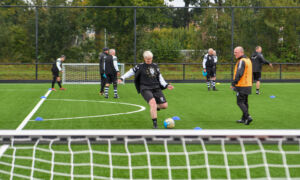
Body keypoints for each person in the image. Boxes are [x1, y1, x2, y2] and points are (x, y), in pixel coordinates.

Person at [118, 51, 174, 129]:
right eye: (147, 59)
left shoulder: (155, 66)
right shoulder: (139, 66)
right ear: (144, 58)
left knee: (164, 105)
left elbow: (160, 77)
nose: (149, 60)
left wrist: (167, 85)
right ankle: (155, 124)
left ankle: (154, 107)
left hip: (156, 87)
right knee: (153, 103)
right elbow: (130, 72)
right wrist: (122, 77)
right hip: (145, 88)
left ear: (152, 58)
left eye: (150, 59)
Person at [231, 46, 253, 125]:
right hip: (248, 85)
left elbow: (239, 73)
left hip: (242, 85)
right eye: (234, 52)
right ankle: (244, 118)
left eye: (236, 52)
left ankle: (248, 116)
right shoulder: (248, 60)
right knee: (245, 102)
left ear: (241, 52)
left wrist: (233, 83)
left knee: (239, 102)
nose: (234, 54)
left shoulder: (242, 61)